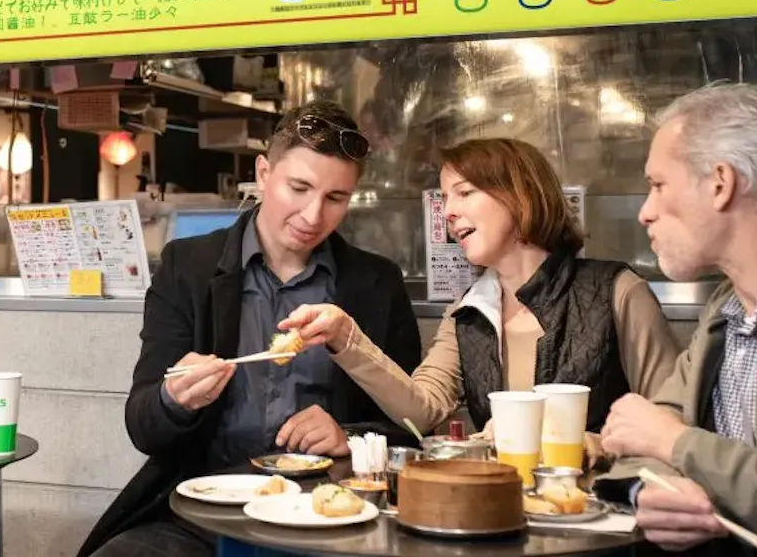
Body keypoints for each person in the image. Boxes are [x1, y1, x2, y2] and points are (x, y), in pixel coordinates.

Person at [78, 101, 421, 557]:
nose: (313, 216)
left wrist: (350, 437)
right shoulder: (188, 268)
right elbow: (143, 426)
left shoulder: (374, 283)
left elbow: (417, 427)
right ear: (263, 173)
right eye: (299, 188)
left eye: (336, 198)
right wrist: (174, 400)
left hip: (329, 512)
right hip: (207, 508)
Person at [282, 137, 679, 452]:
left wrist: (587, 444)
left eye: (465, 192)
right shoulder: (469, 311)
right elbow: (421, 410)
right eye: (445, 198)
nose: (448, 211)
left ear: (519, 194)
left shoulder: (617, 293)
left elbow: (672, 425)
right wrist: (345, 337)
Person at [598, 83, 757, 554]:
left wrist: (678, 446)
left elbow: (664, 433)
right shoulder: (724, 312)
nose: (645, 212)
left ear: (720, 183)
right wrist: (653, 492)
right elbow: (640, 437)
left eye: (658, 184)